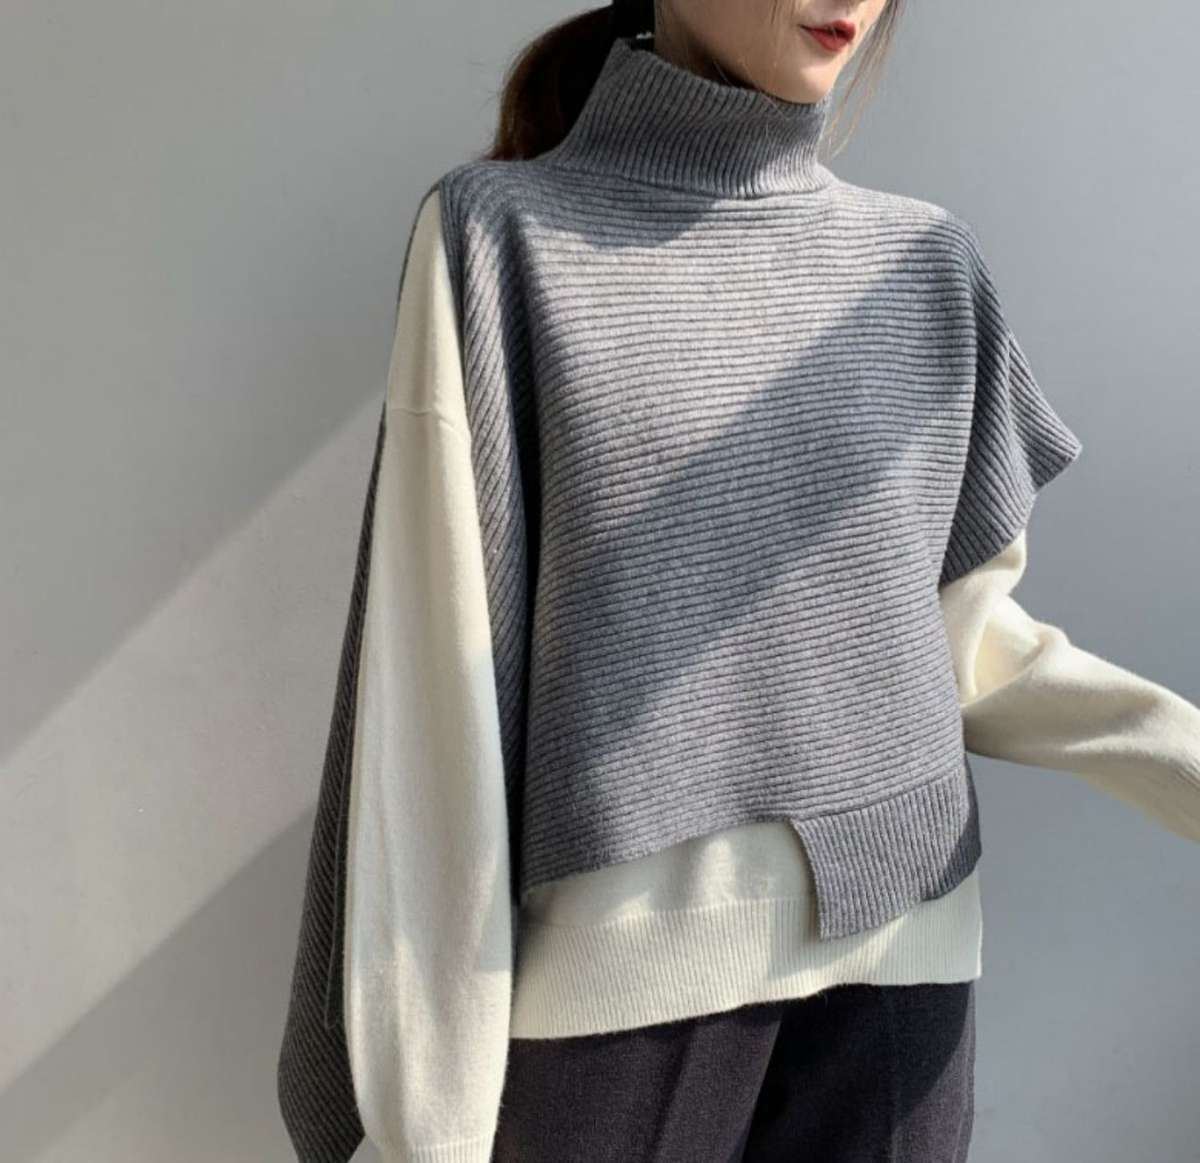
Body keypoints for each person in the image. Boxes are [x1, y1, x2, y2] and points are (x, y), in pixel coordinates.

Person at [277, 3, 1200, 1160]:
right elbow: (433, 700)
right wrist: (434, 1119)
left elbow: (951, 647)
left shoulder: (923, 263)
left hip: (902, 972)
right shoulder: (500, 237)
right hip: (616, 1001)